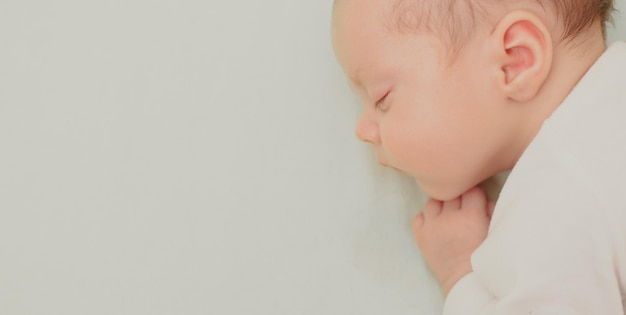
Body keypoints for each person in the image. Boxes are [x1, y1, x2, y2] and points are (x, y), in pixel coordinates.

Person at [332, 0, 626, 313]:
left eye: (381, 98)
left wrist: (461, 277)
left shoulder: (552, 205)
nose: (362, 131)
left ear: (513, 62)